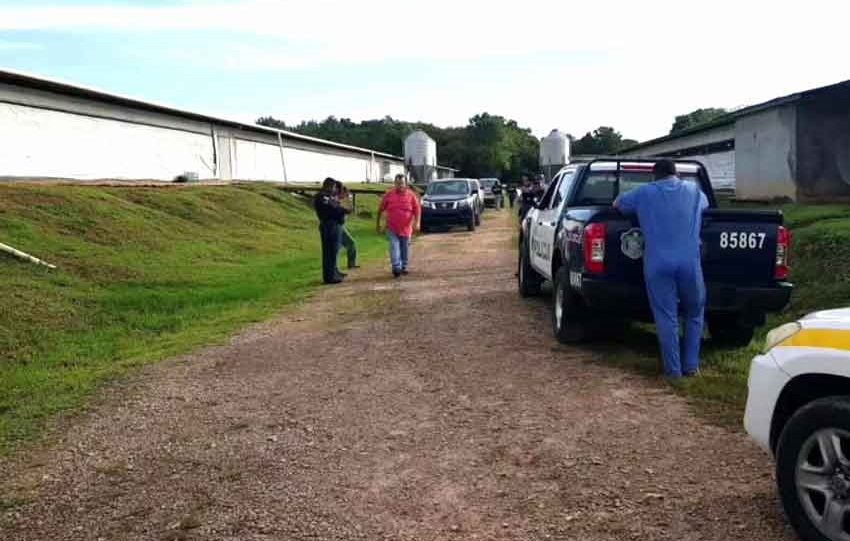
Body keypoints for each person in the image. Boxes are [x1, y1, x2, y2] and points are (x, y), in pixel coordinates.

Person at [614, 159, 709, 378]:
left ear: (654, 175)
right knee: (694, 313)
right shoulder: (694, 192)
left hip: (657, 263)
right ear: (676, 173)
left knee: (667, 316)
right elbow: (706, 205)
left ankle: (673, 371)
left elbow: (618, 204)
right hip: (690, 263)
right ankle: (692, 366)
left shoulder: (643, 193)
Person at [377, 174, 421, 278]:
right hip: (392, 227)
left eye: (401, 183)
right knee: (394, 247)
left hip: (406, 228)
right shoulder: (389, 195)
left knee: (405, 248)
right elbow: (380, 209)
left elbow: (417, 210)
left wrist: (417, 222)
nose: (399, 186)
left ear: (406, 184)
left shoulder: (411, 195)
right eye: (397, 183)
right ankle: (396, 267)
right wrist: (379, 224)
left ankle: (404, 266)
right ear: (394, 184)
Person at [314, 177, 348, 285]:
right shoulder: (323, 197)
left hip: (332, 225)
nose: (335, 189)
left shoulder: (327, 197)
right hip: (329, 225)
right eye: (333, 187)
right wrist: (344, 210)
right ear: (328, 186)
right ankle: (330, 276)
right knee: (330, 252)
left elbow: (335, 206)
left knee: (332, 251)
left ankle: (333, 273)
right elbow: (334, 209)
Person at [335, 181, 359, 270]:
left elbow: (349, 210)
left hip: (339, 226)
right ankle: (349, 264)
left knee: (346, 244)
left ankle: (350, 264)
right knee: (349, 243)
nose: (345, 196)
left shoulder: (339, 200)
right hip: (337, 226)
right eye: (345, 194)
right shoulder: (336, 200)